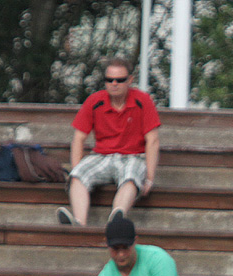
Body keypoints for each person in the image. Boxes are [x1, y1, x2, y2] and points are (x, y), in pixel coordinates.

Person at [57, 56, 161, 226]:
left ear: (130, 80)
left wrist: (149, 177)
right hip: (101, 156)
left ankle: (116, 219)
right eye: (109, 79)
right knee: (77, 176)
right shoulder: (94, 101)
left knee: (130, 178)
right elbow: (78, 138)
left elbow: (153, 140)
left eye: (120, 80)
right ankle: (78, 224)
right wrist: (76, 169)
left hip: (133, 156)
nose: (114, 83)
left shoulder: (142, 101)